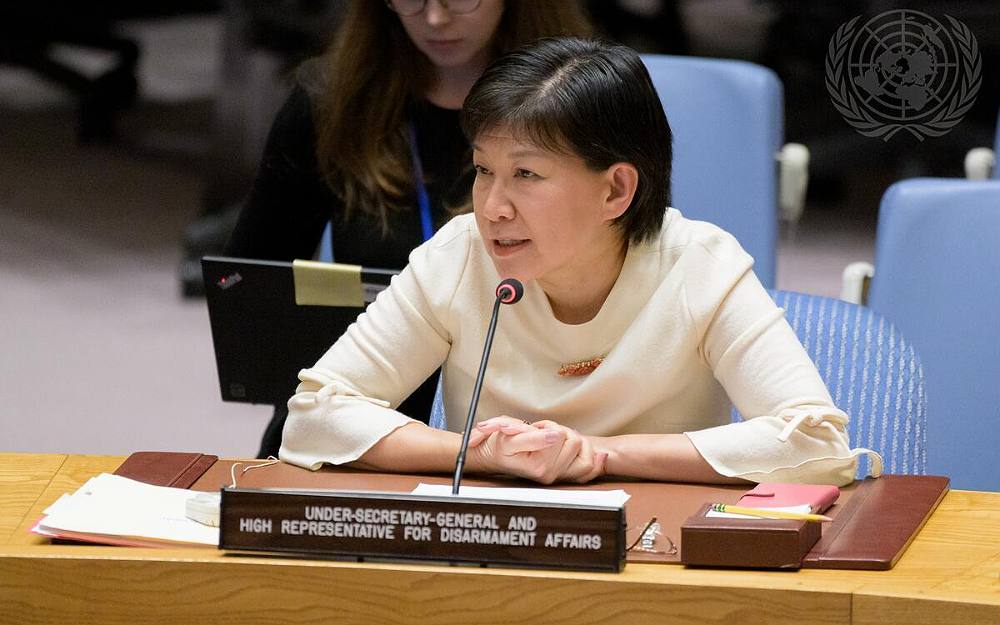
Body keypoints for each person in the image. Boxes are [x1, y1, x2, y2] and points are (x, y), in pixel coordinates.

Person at [278, 37, 880, 486]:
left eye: (526, 175)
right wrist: (476, 453)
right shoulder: (459, 256)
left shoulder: (698, 264)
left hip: (656, 552)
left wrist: (598, 453)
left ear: (616, 190)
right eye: (484, 170)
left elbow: (816, 444)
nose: (492, 207)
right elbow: (313, 417)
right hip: (498, 545)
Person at [224, 1, 593, 457]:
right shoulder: (332, 99)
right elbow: (250, 283)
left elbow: (613, 262)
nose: (434, 18)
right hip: (371, 397)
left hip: (521, 413)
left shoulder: (578, 101)